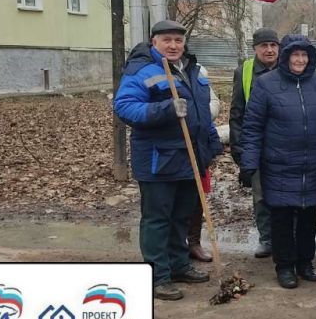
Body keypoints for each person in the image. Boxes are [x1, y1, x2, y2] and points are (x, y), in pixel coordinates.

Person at [114, 20, 222, 301]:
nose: (173, 45)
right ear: (154, 42)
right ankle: (157, 276)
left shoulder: (192, 70)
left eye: (178, 40)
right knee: (158, 219)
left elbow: (201, 113)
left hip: (190, 157)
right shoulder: (141, 70)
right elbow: (124, 107)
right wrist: (165, 108)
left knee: (180, 217)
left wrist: (210, 144)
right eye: (167, 40)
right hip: (157, 160)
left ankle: (178, 265)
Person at [240, 35, 316, 289]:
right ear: (286, 57)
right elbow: (252, 126)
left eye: (304, 55)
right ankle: (284, 266)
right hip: (278, 165)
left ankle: (305, 262)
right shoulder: (266, 84)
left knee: (309, 217)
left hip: (313, 164)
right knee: (281, 218)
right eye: (295, 55)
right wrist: (248, 163)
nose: (300, 60)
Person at [229, 27, 280, 259]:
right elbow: (236, 113)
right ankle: (267, 238)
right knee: (261, 196)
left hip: (284, 144)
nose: (269, 50)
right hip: (256, 145)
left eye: (273, 45)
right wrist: (239, 152)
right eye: (264, 46)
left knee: (287, 194)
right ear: (255, 48)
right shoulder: (245, 71)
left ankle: (289, 238)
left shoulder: (288, 67)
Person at [187, 71, 221, 262]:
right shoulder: (152, 70)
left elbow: (213, 104)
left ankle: (193, 242)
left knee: (197, 198)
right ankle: (172, 246)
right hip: (169, 149)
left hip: (199, 145)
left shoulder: (196, 71)